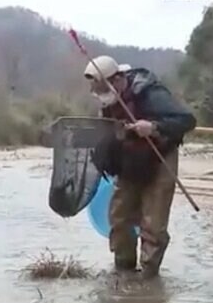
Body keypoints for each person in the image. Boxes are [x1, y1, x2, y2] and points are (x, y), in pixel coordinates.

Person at [84, 55, 196, 279]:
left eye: (105, 90)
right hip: (130, 161)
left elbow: (187, 120)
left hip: (160, 158)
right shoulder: (108, 104)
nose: (103, 97)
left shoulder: (151, 94)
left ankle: (148, 278)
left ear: (117, 80)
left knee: (153, 224)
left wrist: (153, 127)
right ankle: (123, 271)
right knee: (119, 217)